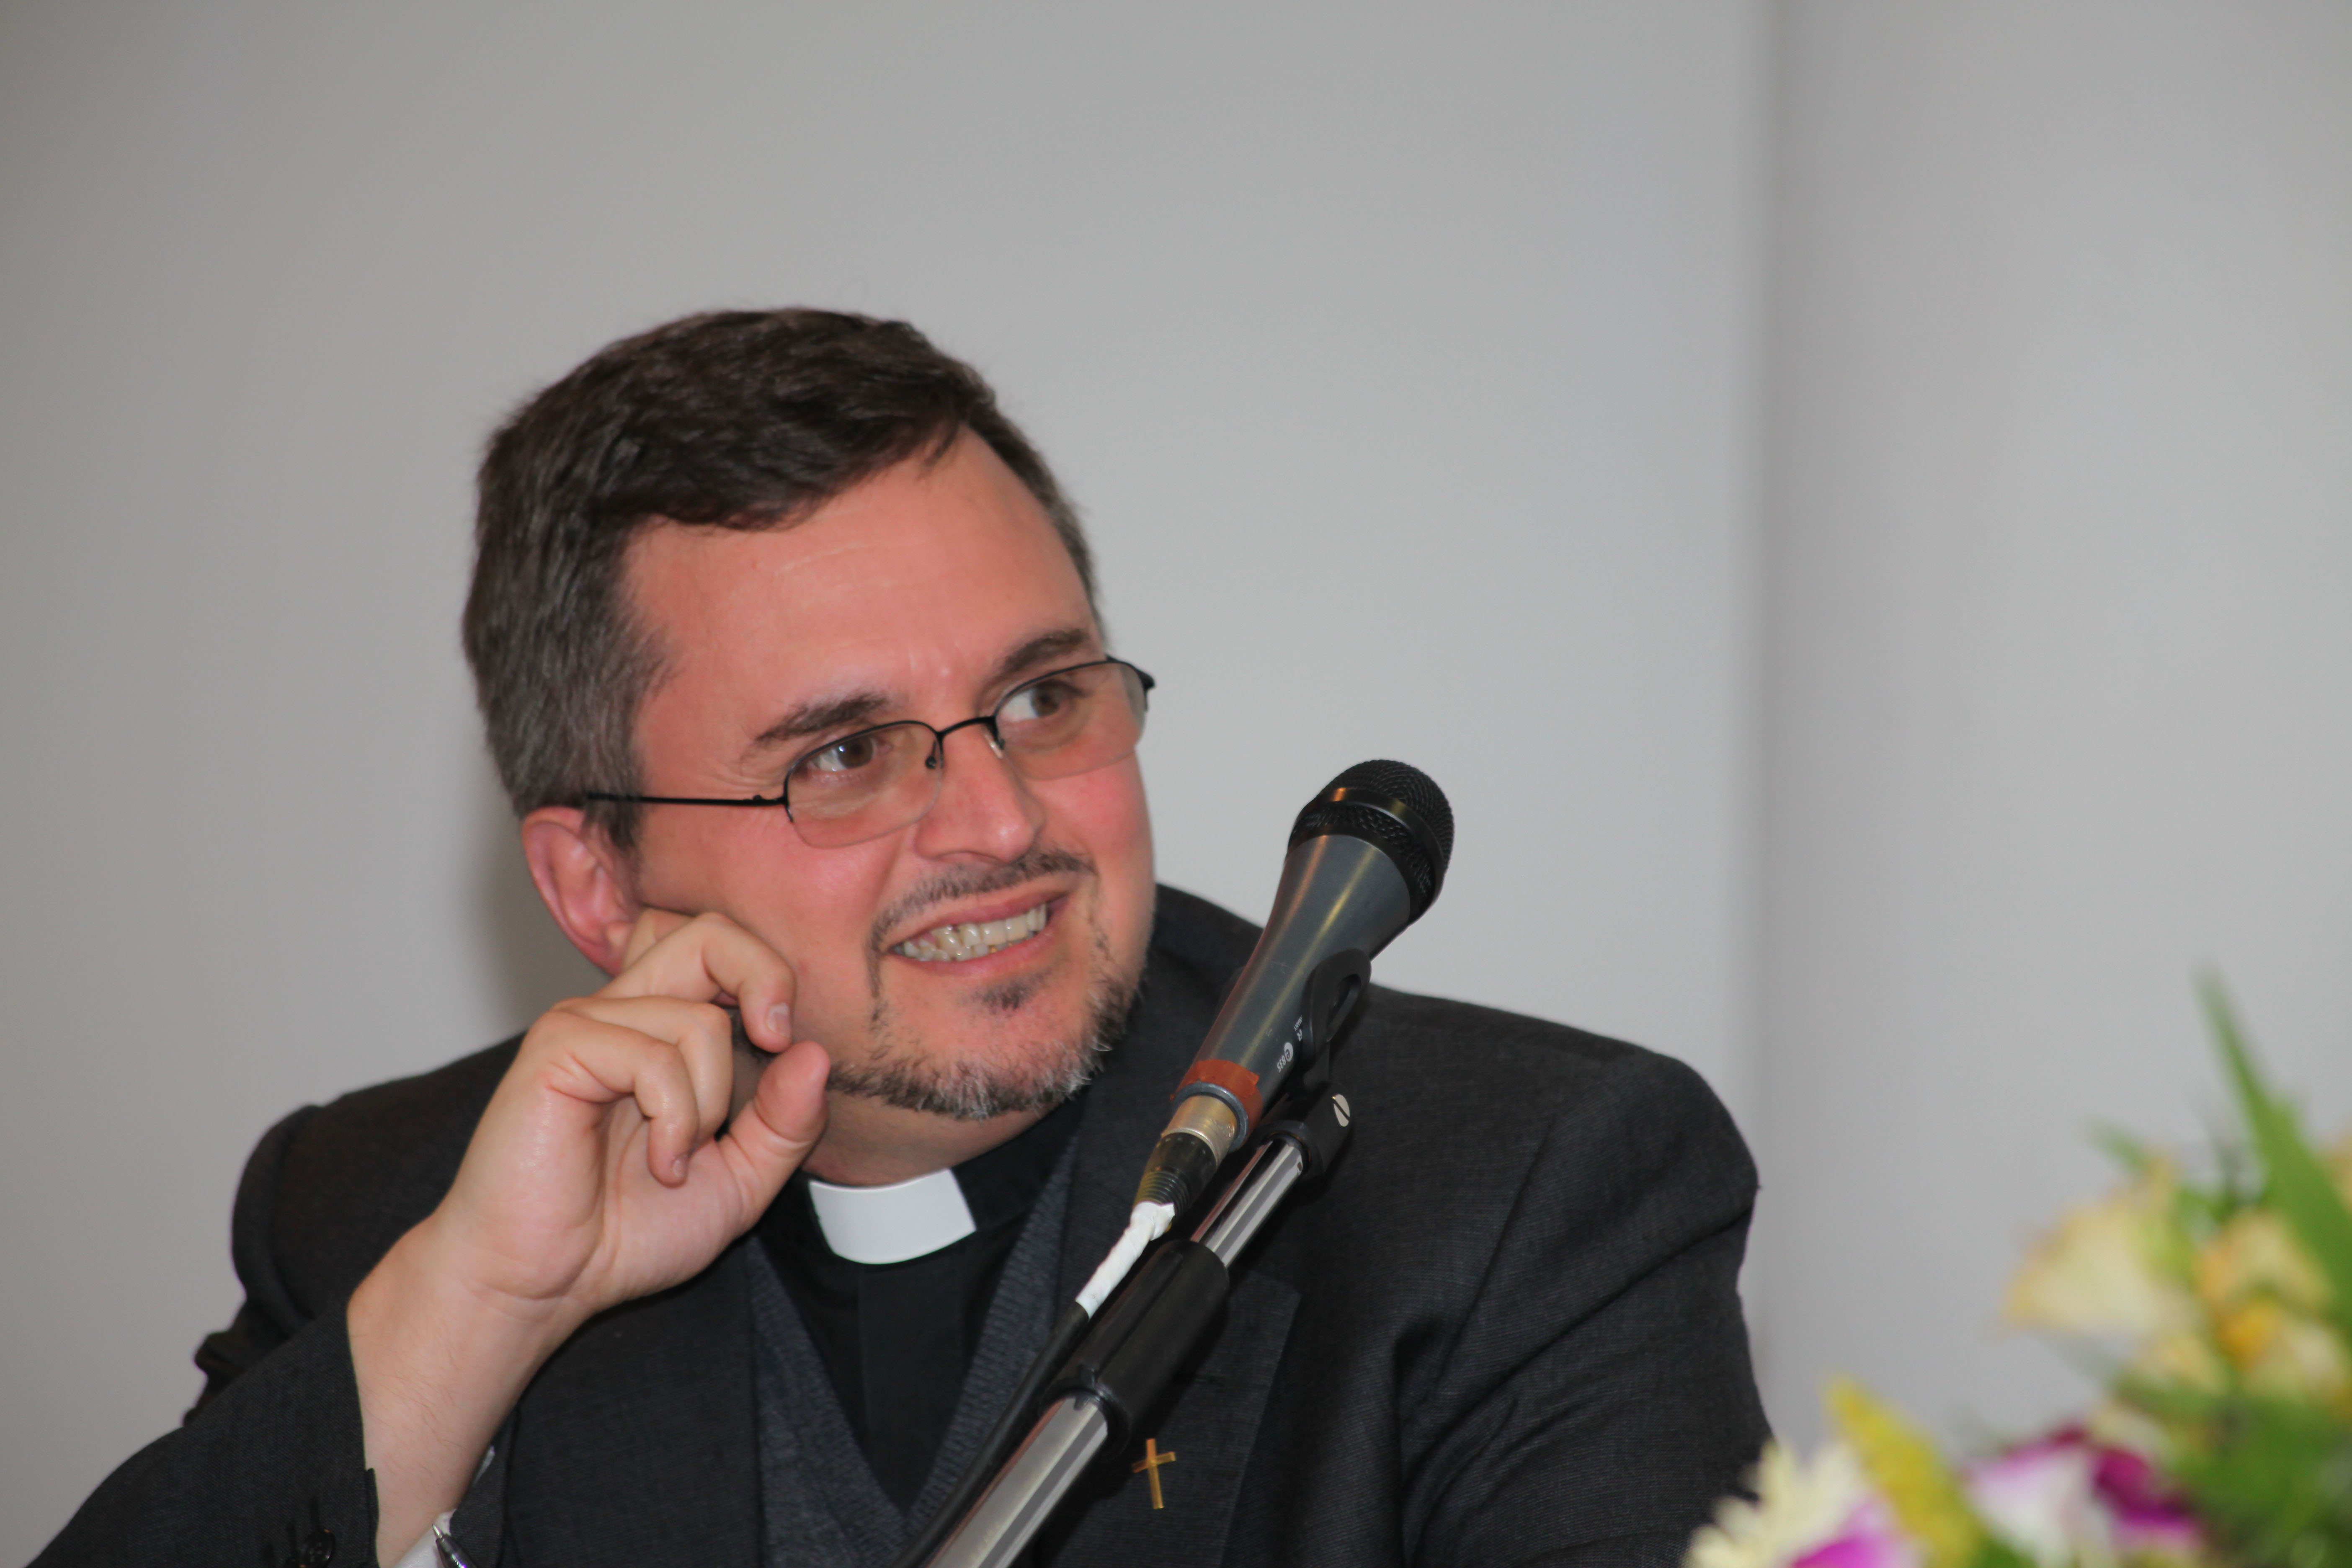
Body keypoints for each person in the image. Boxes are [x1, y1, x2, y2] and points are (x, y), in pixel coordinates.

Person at [37, 309, 1768, 1568]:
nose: (1001, 823)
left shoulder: (1522, 1197)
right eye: (847, 756)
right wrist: (477, 1310)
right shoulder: (388, 1213)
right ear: (597, 884)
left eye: (1044, 698)